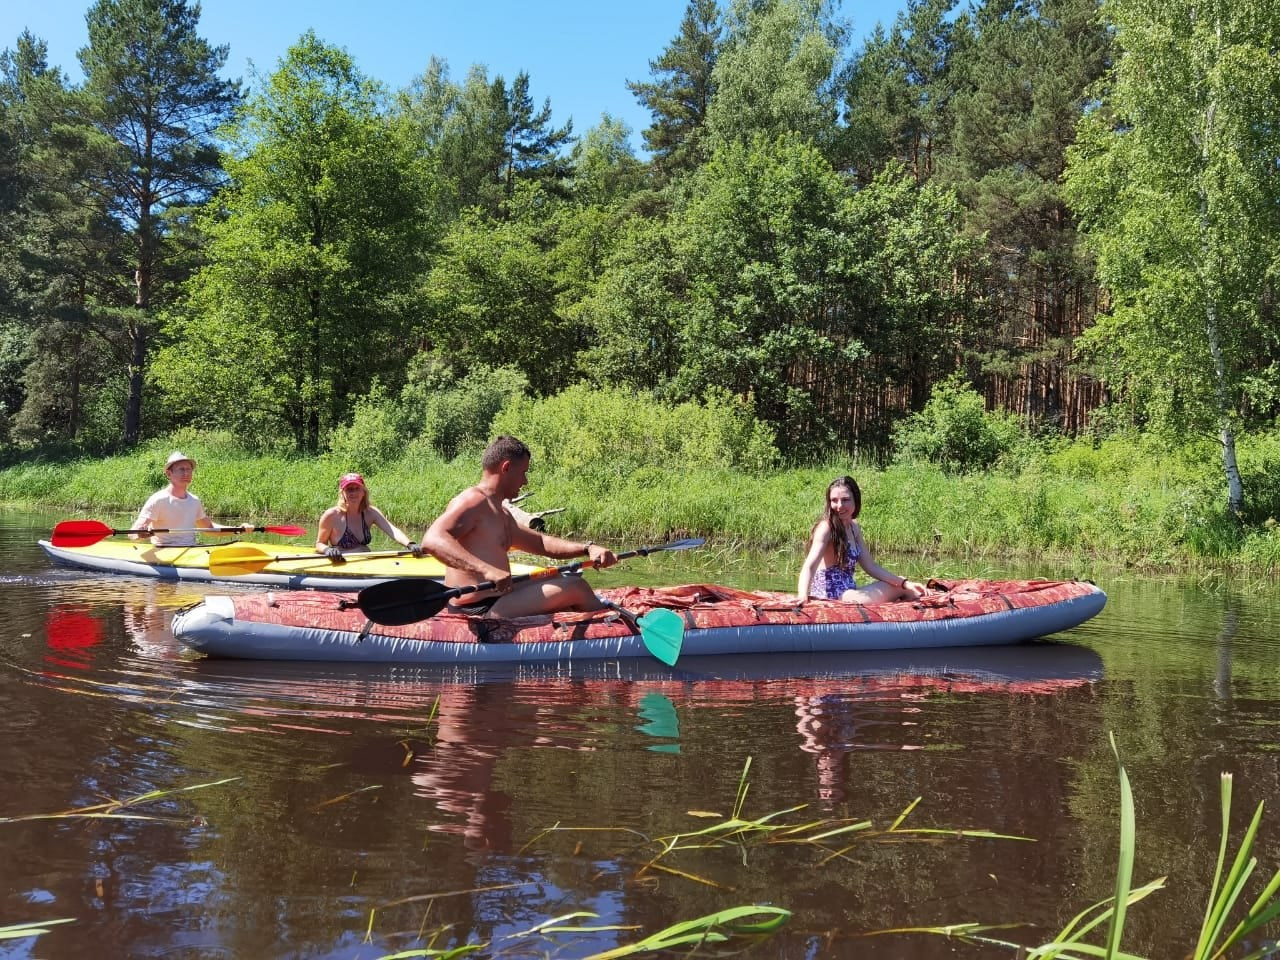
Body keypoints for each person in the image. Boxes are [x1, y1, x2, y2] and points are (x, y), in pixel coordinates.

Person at [421, 435, 618, 618]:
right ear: (506, 467)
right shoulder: (473, 501)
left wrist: (588, 548)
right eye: (523, 472)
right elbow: (433, 540)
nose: (525, 481)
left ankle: (595, 616)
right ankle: (614, 627)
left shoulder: (501, 513)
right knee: (577, 587)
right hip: (476, 608)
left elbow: (542, 543)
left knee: (560, 575)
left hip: (499, 598)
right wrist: (487, 571)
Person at [796, 475, 925, 604]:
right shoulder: (826, 528)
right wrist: (802, 596)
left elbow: (871, 567)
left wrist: (903, 583)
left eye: (845, 500)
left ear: (855, 501)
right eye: (834, 500)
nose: (839, 506)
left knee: (904, 585)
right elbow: (809, 566)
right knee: (904, 589)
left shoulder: (854, 527)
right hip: (834, 597)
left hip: (850, 593)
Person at [130, 451, 254, 547]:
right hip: (164, 549)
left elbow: (209, 529)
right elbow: (133, 533)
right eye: (181, 470)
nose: (186, 473)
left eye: (189, 469)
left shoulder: (194, 500)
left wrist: (239, 529)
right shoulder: (158, 500)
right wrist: (141, 533)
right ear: (169, 474)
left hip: (191, 548)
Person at [315, 473, 419, 562]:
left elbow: (392, 530)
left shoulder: (371, 512)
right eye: (349, 489)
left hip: (366, 562)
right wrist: (327, 550)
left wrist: (410, 544)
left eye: (357, 489)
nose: (354, 493)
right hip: (343, 564)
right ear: (342, 493)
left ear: (363, 492)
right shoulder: (331, 515)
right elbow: (319, 544)